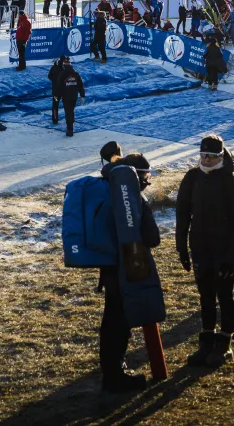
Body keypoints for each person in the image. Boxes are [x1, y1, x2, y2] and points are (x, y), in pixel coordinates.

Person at [175, 135, 234, 368]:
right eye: (202, 155)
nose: (205, 160)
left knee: (224, 295)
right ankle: (206, 343)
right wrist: (181, 247)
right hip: (200, 246)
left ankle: (224, 344)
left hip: (225, 248)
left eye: (211, 156)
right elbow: (182, 214)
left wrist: (231, 257)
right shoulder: (192, 178)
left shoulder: (233, 181)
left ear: (220, 156)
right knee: (205, 296)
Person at [92, 143, 159, 393]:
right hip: (128, 266)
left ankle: (112, 370)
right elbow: (152, 237)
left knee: (111, 318)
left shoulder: (106, 189)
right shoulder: (132, 197)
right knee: (119, 320)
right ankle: (115, 375)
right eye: (145, 177)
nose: (146, 182)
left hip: (108, 265)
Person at [53, 57, 85, 137]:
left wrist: (56, 96)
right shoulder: (76, 73)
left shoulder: (63, 74)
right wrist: (82, 95)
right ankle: (71, 122)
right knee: (71, 110)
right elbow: (81, 85)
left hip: (66, 96)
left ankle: (70, 129)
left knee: (68, 112)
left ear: (64, 65)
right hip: (74, 96)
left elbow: (59, 86)